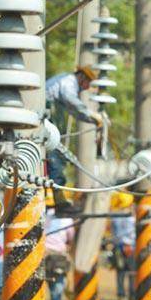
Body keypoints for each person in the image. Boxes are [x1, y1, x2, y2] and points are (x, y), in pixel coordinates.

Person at [46, 66, 103, 214]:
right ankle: (60, 203)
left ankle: (56, 199)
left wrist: (92, 119)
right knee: (55, 159)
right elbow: (71, 101)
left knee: (54, 159)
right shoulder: (69, 81)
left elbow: (75, 111)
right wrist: (91, 113)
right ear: (82, 77)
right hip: (47, 120)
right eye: (88, 83)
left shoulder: (65, 82)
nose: (87, 88)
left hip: (50, 119)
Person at [44, 189, 75, 300]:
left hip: (43, 257)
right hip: (59, 259)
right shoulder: (67, 220)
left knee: (38, 293)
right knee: (56, 294)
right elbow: (70, 239)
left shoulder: (44, 216)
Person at [110, 192, 135, 300]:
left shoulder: (115, 216)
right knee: (132, 275)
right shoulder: (132, 217)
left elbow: (113, 234)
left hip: (118, 248)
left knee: (120, 275)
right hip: (131, 248)